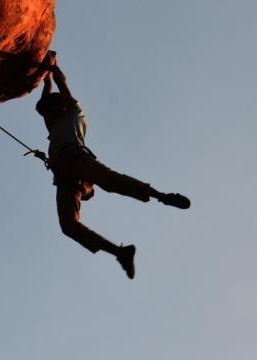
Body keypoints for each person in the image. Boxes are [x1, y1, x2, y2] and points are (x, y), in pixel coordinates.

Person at [36, 51, 190, 279]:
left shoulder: (74, 114)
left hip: (77, 159)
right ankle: (119, 252)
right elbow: (48, 93)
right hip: (64, 175)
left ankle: (160, 195)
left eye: (49, 110)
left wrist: (53, 67)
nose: (46, 116)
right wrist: (45, 76)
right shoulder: (55, 122)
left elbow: (61, 84)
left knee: (108, 180)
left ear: (59, 107)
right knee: (68, 225)